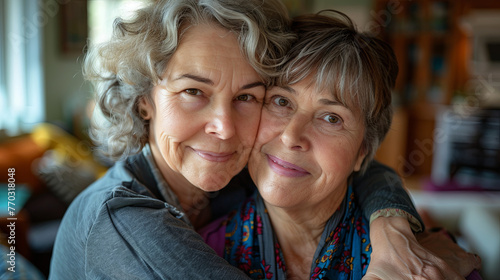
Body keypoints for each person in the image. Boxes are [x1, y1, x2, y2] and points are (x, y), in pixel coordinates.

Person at [49, 0, 477, 279]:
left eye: (248, 97)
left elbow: (350, 168)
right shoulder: (118, 219)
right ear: (145, 99)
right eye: (193, 91)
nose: (226, 127)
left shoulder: (230, 180)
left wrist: (391, 224)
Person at [201, 10, 481, 280]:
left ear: (362, 152)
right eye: (281, 101)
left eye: (331, 118)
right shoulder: (204, 249)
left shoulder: (425, 265)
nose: (291, 136)